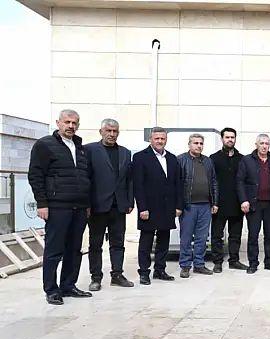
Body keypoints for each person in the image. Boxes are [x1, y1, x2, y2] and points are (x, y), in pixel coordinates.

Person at [28, 109, 92, 305]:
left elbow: (86, 177)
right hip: (57, 206)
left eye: (74, 123)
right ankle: (51, 290)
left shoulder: (80, 148)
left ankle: (68, 285)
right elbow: (35, 175)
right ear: (58, 123)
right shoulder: (45, 145)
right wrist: (42, 203)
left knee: (74, 249)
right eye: (67, 122)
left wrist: (87, 204)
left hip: (79, 207)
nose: (71, 126)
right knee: (54, 250)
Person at [85, 118, 134, 291]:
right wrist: (87, 203)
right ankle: (96, 278)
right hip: (97, 206)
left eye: (115, 131)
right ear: (101, 132)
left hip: (118, 206)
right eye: (108, 131)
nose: (112, 134)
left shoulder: (125, 152)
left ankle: (117, 275)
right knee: (95, 244)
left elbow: (129, 179)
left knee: (118, 243)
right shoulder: (89, 150)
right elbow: (86, 178)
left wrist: (130, 201)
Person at [132, 127, 183, 285]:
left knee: (164, 240)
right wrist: (142, 208)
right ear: (151, 139)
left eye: (162, 138)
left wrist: (178, 205)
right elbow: (138, 185)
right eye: (157, 138)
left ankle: (160, 270)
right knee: (146, 242)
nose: (160, 141)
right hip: (149, 208)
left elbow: (177, 183)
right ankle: (144, 272)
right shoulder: (140, 157)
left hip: (168, 207)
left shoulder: (172, 158)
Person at [237, 134, 270, 274]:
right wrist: (243, 200)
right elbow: (240, 181)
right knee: (253, 235)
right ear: (256, 144)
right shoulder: (247, 160)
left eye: (267, 144)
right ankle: (253, 263)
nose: (264, 146)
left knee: (269, 235)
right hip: (253, 204)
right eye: (262, 143)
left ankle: (269, 262)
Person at [177, 134, 218, 278]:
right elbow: (176, 184)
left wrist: (215, 202)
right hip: (188, 206)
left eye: (201, 143)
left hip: (205, 205)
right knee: (186, 237)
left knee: (202, 237)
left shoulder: (207, 161)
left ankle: (199, 264)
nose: (199, 146)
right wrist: (178, 205)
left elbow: (214, 182)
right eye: (196, 143)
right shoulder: (181, 160)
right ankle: (185, 265)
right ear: (189, 144)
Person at [209, 127, 248, 272]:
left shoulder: (242, 159)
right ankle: (217, 262)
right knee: (217, 235)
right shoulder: (213, 158)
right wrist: (213, 202)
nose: (230, 140)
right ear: (222, 139)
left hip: (237, 203)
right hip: (219, 204)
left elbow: (245, 181)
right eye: (227, 137)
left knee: (235, 235)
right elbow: (211, 182)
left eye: (232, 137)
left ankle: (234, 260)